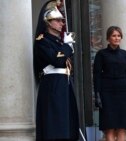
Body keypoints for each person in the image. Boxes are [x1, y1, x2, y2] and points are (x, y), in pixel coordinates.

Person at [33, 1, 79, 140]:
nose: (61, 23)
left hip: (64, 83)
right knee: (55, 123)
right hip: (52, 84)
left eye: (61, 20)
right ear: (48, 22)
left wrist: (65, 45)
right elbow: (57, 60)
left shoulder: (58, 41)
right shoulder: (43, 41)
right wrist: (67, 46)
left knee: (68, 121)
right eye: (58, 20)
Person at [93, 26, 126, 141]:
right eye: (114, 36)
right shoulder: (101, 54)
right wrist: (97, 94)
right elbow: (96, 75)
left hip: (122, 92)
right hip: (107, 92)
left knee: (122, 126)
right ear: (108, 38)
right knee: (109, 126)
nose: (116, 38)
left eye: (118, 36)